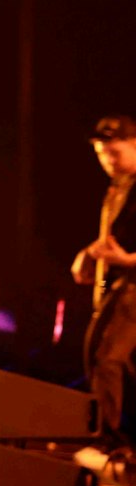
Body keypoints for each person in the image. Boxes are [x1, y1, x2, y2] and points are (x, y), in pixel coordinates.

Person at [74, 114, 136, 454]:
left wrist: (126, 261)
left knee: (105, 355)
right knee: (114, 359)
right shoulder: (119, 189)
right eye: (103, 154)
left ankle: (109, 440)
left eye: (116, 152)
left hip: (133, 285)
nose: (109, 161)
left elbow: (125, 251)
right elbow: (115, 240)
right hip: (119, 284)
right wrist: (89, 255)